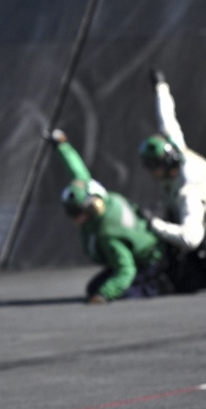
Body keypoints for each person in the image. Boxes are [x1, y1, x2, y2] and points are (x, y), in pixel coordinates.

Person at [46, 129, 169, 302]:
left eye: (75, 212)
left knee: (122, 292)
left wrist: (104, 295)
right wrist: (62, 145)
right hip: (141, 253)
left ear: (91, 208)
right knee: (93, 287)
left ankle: (159, 285)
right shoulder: (99, 198)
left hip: (151, 262)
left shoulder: (108, 234)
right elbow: (76, 169)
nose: (72, 217)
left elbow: (126, 270)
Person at [138, 71, 206, 291]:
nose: (150, 173)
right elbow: (166, 117)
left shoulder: (188, 191)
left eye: (153, 167)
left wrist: (155, 225)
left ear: (167, 164)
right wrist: (160, 86)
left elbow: (191, 238)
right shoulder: (176, 147)